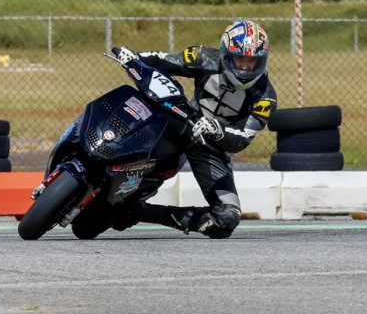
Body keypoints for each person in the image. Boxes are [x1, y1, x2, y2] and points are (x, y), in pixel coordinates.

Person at [115, 19, 277, 239]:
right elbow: (165, 60)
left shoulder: (265, 97)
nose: (245, 67)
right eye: (240, 59)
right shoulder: (203, 57)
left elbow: (242, 138)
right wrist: (135, 57)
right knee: (145, 111)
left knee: (227, 218)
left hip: (213, 147)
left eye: (252, 61)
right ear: (226, 54)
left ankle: (140, 212)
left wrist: (218, 131)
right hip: (182, 121)